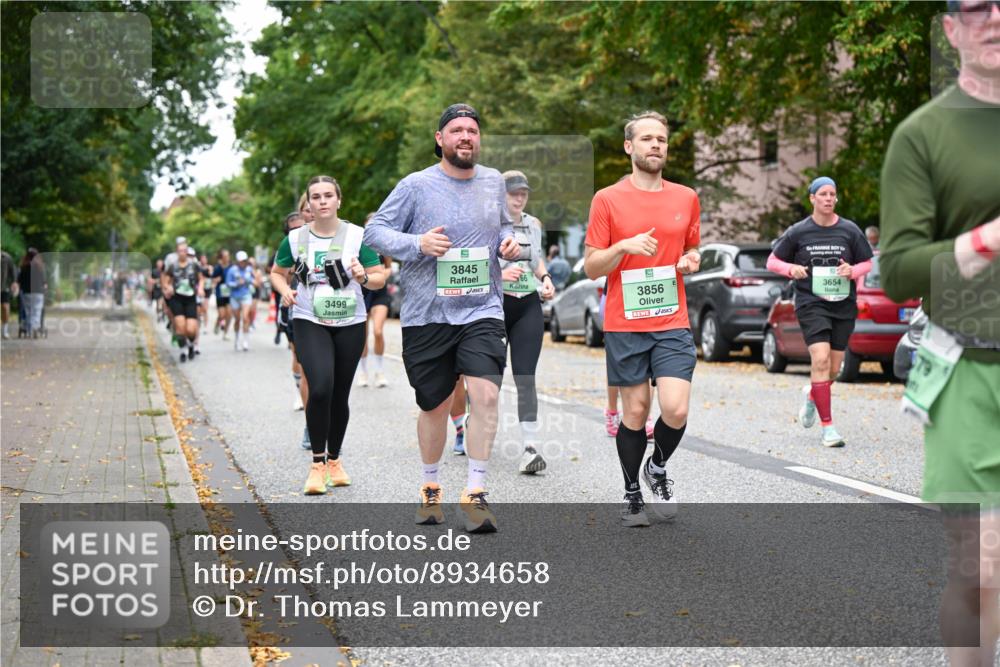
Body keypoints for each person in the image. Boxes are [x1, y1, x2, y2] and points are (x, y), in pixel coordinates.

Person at [880, 2, 1000, 664]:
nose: (995, 17)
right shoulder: (923, 135)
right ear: (951, 29)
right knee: (982, 572)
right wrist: (983, 240)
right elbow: (897, 270)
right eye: (977, 5)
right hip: (968, 372)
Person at [363, 103, 520, 533]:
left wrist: (509, 244)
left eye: (472, 130)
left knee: (485, 395)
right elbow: (375, 232)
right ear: (440, 139)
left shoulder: (493, 182)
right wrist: (418, 243)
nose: (466, 137)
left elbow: (507, 228)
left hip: (482, 307)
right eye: (456, 130)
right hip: (427, 315)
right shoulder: (415, 186)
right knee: (433, 404)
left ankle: (475, 493)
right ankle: (431, 488)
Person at [584, 110, 701, 528]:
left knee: (676, 408)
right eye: (647, 139)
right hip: (625, 322)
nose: (656, 145)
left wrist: (691, 260)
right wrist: (624, 246)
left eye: (662, 139)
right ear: (629, 147)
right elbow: (592, 267)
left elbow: (692, 248)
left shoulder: (686, 197)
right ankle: (632, 492)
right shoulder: (607, 199)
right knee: (634, 414)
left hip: (671, 318)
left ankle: (658, 466)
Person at [270, 175, 385, 495]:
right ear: (308, 204)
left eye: (328, 196)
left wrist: (364, 276)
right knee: (320, 386)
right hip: (310, 319)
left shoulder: (357, 237)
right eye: (315, 197)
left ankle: (335, 460)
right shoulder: (295, 240)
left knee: (339, 395)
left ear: (338, 200)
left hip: (350, 321)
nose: (322, 201)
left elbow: (379, 278)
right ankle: (317, 465)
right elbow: (277, 273)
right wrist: (285, 292)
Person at [766, 177, 873, 448]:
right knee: (821, 359)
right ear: (812, 198)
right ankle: (828, 428)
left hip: (843, 303)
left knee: (833, 369)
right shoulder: (799, 232)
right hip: (811, 302)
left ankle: (813, 395)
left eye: (832, 194)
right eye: (823, 194)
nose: (828, 198)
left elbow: (867, 263)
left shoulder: (849, 230)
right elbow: (772, 261)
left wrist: (853, 271)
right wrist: (791, 269)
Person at [498, 170, 557, 474]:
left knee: (525, 376)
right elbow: (476, 261)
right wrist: (500, 274)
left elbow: (536, 261)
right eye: (513, 192)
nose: (519, 198)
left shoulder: (533, 224)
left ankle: (529, 447)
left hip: (528, 306)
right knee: (489, 379)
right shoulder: (489, 222)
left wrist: (545, 278)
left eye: (523, 193)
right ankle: (473, 422)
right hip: (495, 306)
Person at [358, 212, 393, 388]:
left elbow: (388, 268)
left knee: (378, 331)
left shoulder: (382, 244)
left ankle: (379, 371)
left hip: (379, 292)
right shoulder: (359, 243)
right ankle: (363, 372)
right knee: (362, 336)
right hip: (362, 292)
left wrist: (380, 275)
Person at [161, 238, 203, 362]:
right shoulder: (173, 265)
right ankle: (183, 349)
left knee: (191, 329)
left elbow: (201, 278)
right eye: (180, 251)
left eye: (184, 251)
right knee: (180, 327)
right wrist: (167, 287)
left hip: (190, 298)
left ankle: (190, 344)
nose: (182, 253)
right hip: (177, 299)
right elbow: (165, 278)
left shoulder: (194, 264)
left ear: (187, 252)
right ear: (177, 252)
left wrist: (200, 288)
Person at [226, 250, 255, 351]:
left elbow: (253, 280)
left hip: (246, 295)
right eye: (241, 261)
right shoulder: (232, 270)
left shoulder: (249, 269)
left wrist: (248, 281)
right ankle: (237, 339)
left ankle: (245, 341)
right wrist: (237, 283)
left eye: (244, 261)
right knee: (237, 319)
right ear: (237, 261)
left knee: (245, 317)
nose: (243, 262)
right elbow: (228, 283)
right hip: (234, 296)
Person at [18, 249, 46, 338]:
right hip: (38, 292)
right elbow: (44, 281)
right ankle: (35, 327)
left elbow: (19, 280)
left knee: (28, 311)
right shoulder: (40, 267)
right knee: (37, 310)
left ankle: (28, 328)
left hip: (27, 292)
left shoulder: (24, 267)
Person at [212, 250, 233, 340]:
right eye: (225, 256)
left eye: (227, 256)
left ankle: (226, 333)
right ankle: (217, 323)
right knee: (222, 315)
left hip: (229, 293)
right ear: (222, 258)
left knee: (229, 314)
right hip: (220, 293)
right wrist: (217, 279)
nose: (226, 258)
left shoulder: (232, 267)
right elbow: (213, 280)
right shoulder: (217, 268)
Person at [1, 250, 17, 339]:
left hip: (4, 286)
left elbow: (12, 270)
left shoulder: (6, 257)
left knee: (5, 306)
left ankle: (5, 330)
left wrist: (14, 282)